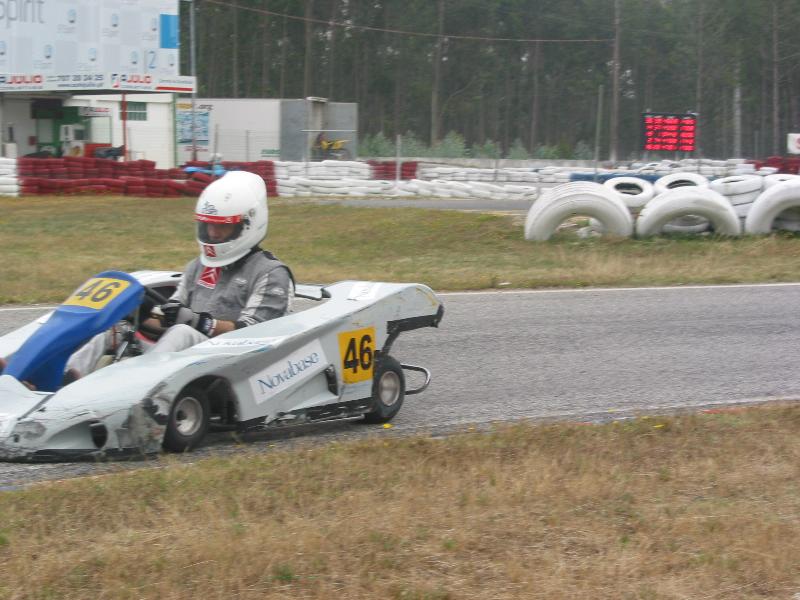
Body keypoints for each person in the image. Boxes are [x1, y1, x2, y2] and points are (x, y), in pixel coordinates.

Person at [2, 170, 293, 384]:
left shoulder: (269, 272)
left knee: (181, 331)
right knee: (113, 325)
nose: (213, 235)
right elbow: (169, 317)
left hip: (231, 361)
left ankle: (138, 388)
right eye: (209, 227)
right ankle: (54, 379)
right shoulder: (198, 266)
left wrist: (200, 323)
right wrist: (139, 315)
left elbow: (256, 334)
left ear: (247, 225)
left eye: (222, 228)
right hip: (177, 358)